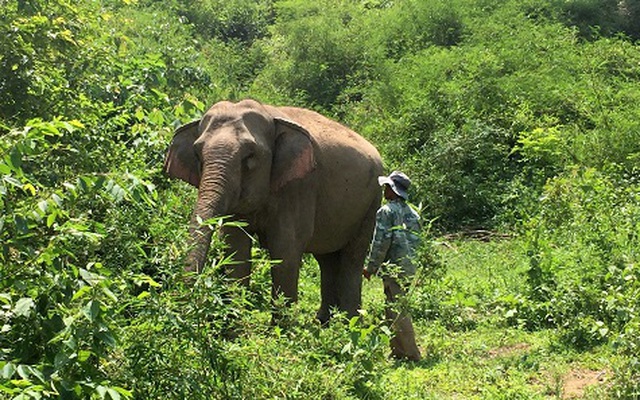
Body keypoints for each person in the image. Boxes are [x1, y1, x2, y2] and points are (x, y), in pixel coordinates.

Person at [363, 171, 421, 361]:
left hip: (394, 267)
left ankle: (410, 353)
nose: (384, 191)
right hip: (409, 267)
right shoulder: (413, 213)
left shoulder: (386, 212)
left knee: (397, 309)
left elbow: (380, 242)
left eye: (387, 187)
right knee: (394, 305)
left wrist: (370, 267)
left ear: (394, 191)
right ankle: (398, 351)